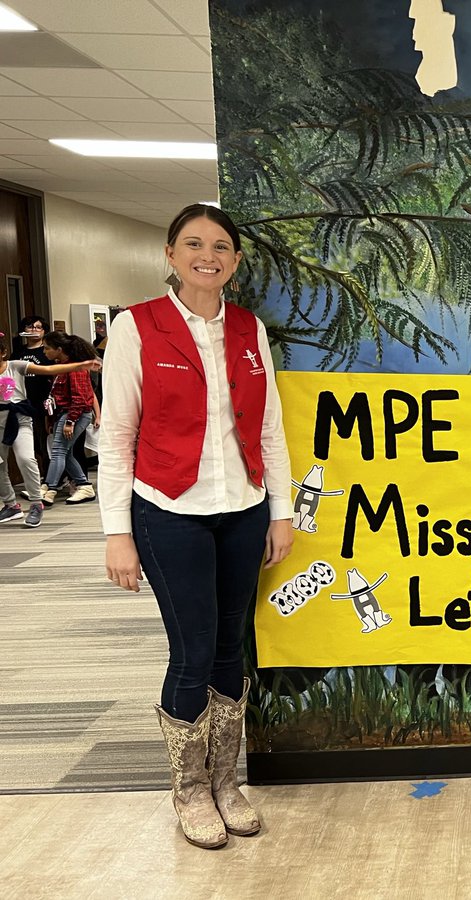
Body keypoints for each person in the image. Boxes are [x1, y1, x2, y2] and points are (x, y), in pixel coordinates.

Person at [99, 203, 294, 850]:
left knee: (231, 649)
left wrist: (280, 511)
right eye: (193, 244)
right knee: (192, 652)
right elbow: (118, 436)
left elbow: (269, 428)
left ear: (235, 262)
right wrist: (116, 532)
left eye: (220, 246)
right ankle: (189, 790)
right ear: (170, 254)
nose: (207, 255)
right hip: (168, 511)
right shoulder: (138, 327)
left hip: (241, 508)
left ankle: (226, 781)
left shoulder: (248, 329)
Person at [0, 337, 101, 527]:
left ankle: (39, 500)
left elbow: (48, 370)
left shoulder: (15, 365)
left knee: (28, 458)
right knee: (1, 466)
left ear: (3, 353)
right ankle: (11, 505)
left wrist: (80, 365)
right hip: (2, 422)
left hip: (20, 419)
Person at [41, 331, 100, 505]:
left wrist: (70, 421)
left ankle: (49, 488)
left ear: (59, 349)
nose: (44, 352)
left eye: (47, 348)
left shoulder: (75, 368)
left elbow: (80, 398)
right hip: (65, 413)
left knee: (59, 450)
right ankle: (84, 485)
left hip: (75, 414)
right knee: (65, 453)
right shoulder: (64, 367)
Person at [17, 314, 51, 482]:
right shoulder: (18, 353)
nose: (34, 330)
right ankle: (36, 479)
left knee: (46, 442)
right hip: (23, 403)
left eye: (38, 327)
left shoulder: (47, 352)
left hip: (44, 403)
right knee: (31, 444)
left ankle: (51, 479)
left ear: (44, 331)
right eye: (30, 327)